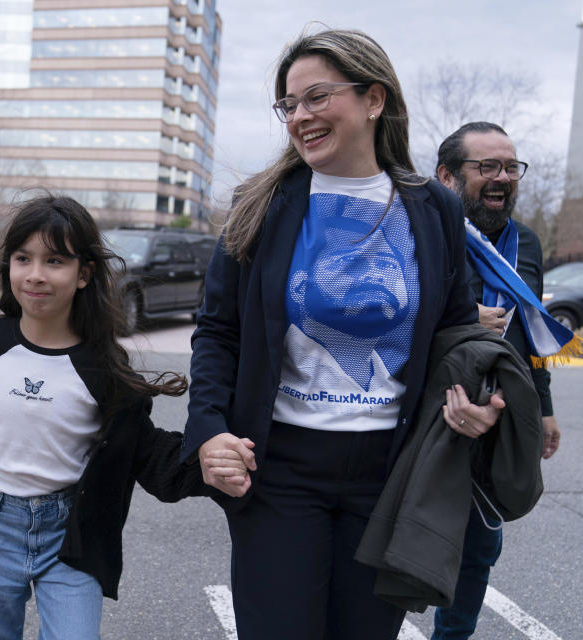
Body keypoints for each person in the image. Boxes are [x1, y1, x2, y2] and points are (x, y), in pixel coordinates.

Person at [184, 29, 504, 640]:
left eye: (317, 97)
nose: (300, 116)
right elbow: (218, 333)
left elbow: (457, 334)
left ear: (374, 99)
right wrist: (209, 430)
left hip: (389, 470)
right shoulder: (261, 202)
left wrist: (476, 404)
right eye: (289, 104)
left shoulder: (434, 208)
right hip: (278, 467)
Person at [0, 194, 247, 639]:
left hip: (71, 533)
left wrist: (208, 466)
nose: (36, 275)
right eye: (24, 258)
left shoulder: (102, 364)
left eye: (55, 260)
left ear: (84, 274)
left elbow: (142, 448)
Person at [432, 122, 568, 639]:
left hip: (499, 419)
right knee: (402, 539)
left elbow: (531, 334)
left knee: (480, 546)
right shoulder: (422, 230)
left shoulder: (527, 243)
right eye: (486, 166)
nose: (502, 177)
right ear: (447, 176)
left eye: (510, 167)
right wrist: (464, 316)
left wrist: (545, 405)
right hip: (427, 413)